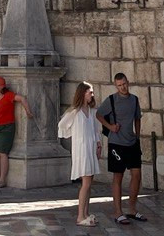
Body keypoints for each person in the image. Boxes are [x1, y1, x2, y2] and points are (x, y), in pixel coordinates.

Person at [97, 72, 146, 226]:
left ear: (128, 82)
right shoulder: (111, 100)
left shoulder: (134, 99)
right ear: (116, 86)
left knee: (136, 175)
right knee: (118, 177)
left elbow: (137, 118)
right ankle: (118, 212)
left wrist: (137, 136)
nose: (123, 87)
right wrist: (110, 127)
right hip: (116, 144)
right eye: (119, 85)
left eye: (124, 84)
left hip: (132, 143)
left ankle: (132, 208)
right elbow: (99, 115)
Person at [58, 81, 102, 228]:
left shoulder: (91, 111)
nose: (92, 95)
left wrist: (98, 144)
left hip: (90, 149)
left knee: (89, 184)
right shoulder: (74, 111)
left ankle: (86, 213)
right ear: (83, 93)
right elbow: (62, 125)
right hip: (82, 151)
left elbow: (96, 130)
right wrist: (75, 135)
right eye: (90, 92)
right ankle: (80, 216)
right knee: (86, 183)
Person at [0, 75, 35, 189]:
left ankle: (2, 180)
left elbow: (22, 99)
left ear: (1, 87)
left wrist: (28, 111)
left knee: (3, 152)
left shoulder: (9, 96)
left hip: (7, 127)